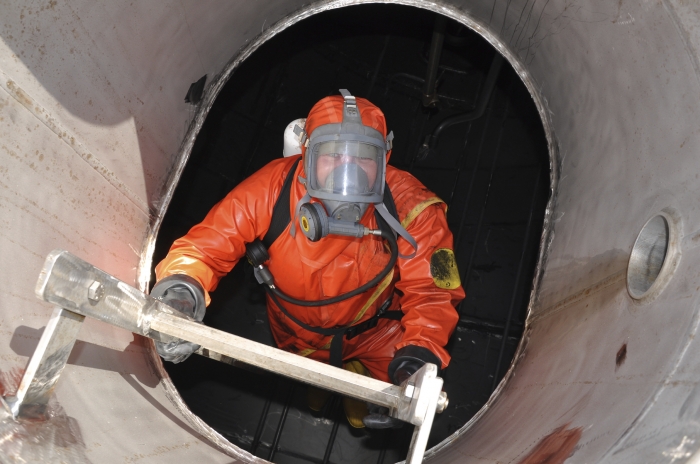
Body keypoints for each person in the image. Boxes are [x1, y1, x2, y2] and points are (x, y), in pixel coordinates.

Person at [152, 90, 465, 428]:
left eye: (363, 157)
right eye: (332, 155)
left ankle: (360, 386)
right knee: (309, 385)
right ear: (306, 155)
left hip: (376, 333)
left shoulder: (413, 210)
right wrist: (182, 290)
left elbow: (432, 294)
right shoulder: (272, 188)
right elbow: (204, 248)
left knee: (384, 396)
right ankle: (323, 387)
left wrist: (416, 361)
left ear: (385, 159)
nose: (348, 173)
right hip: (297, 333)